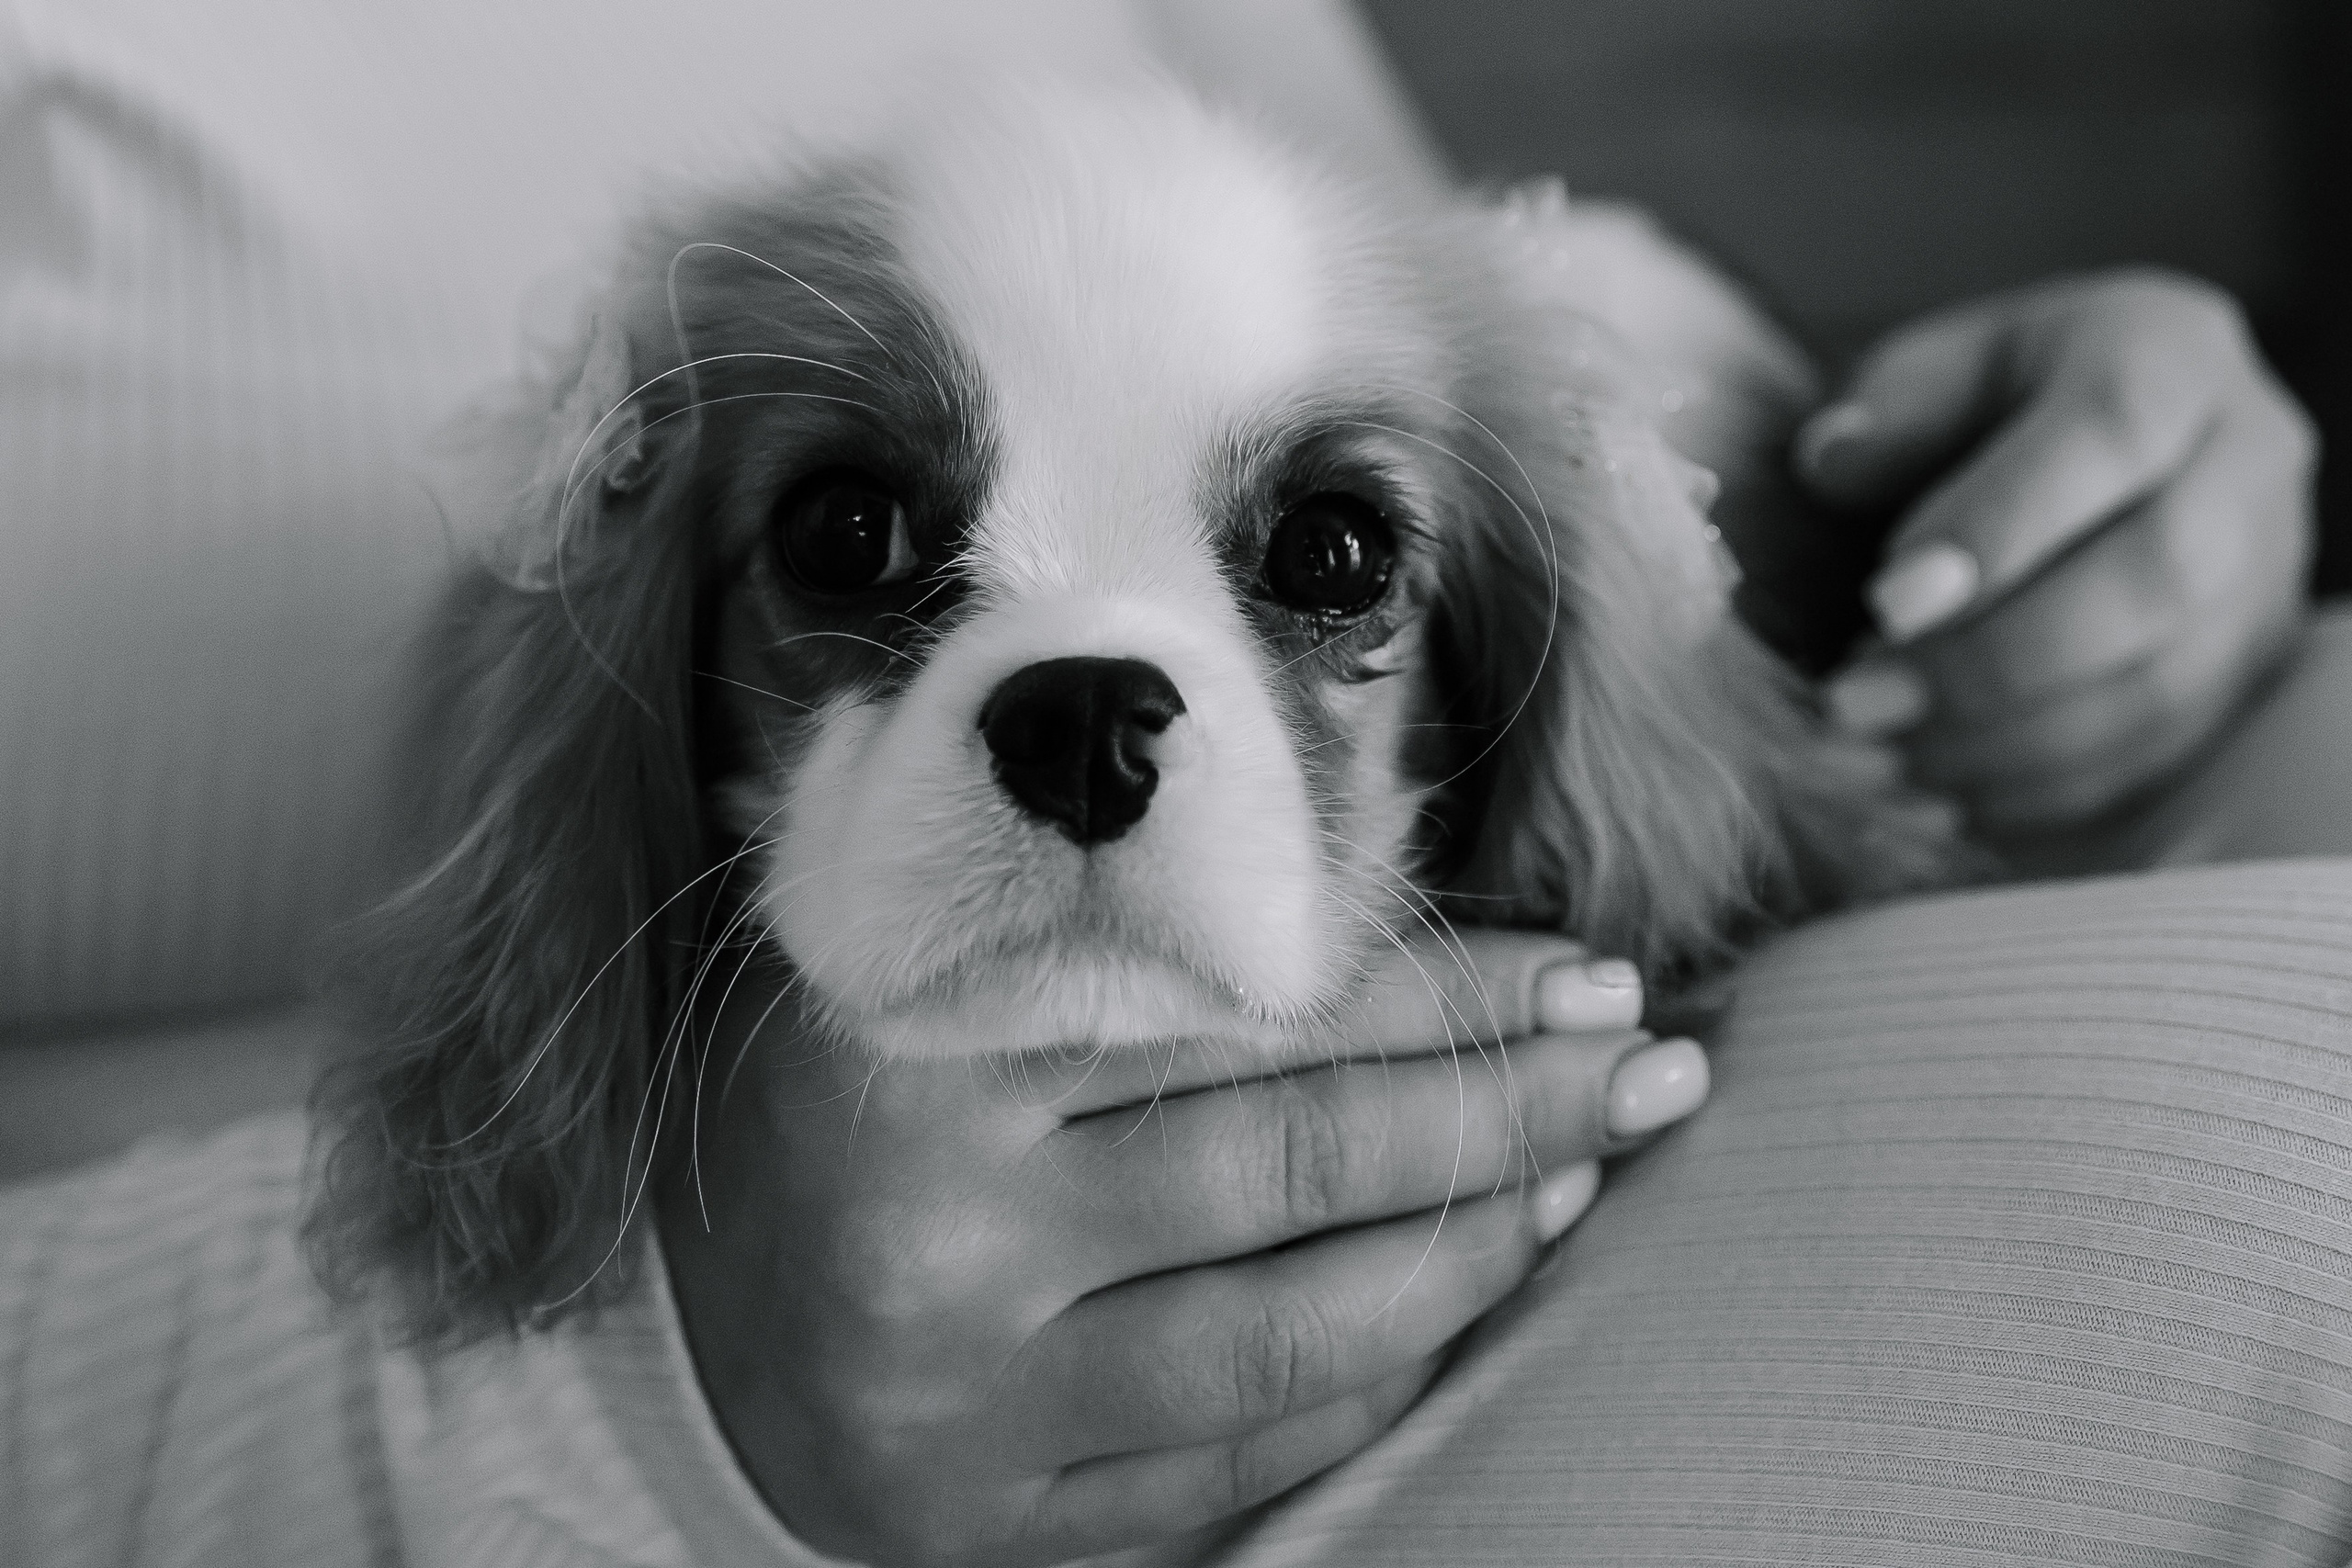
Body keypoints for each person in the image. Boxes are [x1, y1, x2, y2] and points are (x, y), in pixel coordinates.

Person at [0, 3, 2339, 1566]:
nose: (1098, 693)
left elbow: (1403, 299)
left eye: (1313, 557)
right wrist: (651, 1385)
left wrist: (1983, 481)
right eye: (853, 541)